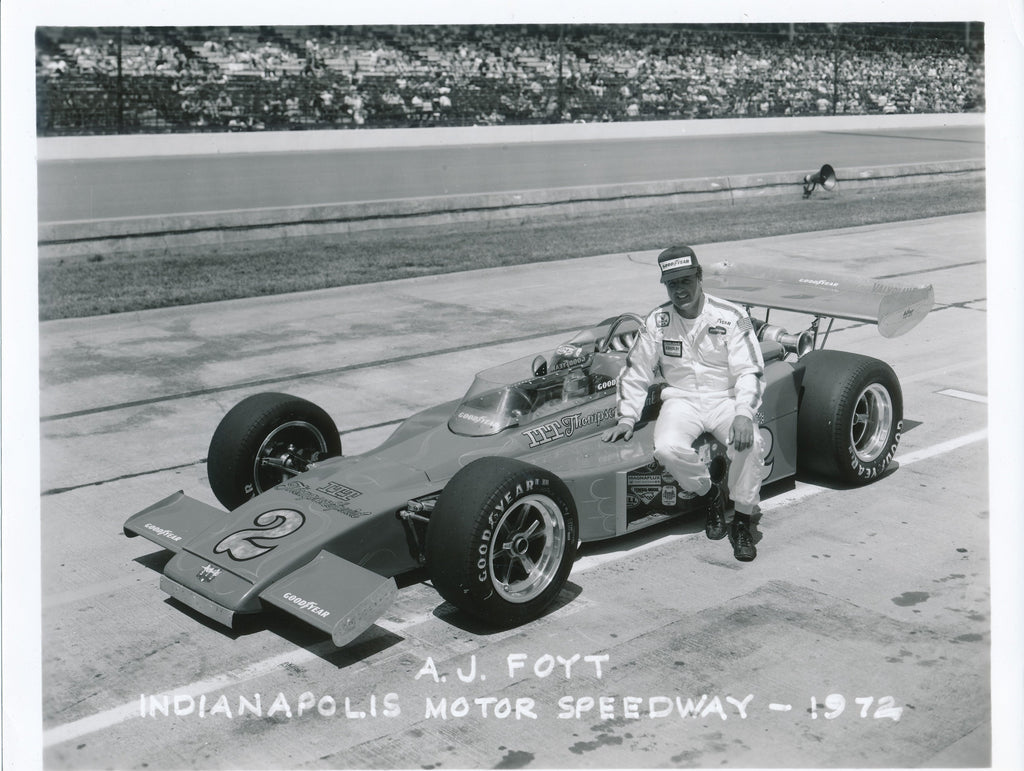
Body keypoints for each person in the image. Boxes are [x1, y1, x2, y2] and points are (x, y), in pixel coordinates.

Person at [601, 245, 765, 561]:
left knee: (752, 443)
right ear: (665, 286)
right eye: (672, 284)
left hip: (725, 399)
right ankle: (711, 495)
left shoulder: (732, 316)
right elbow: (637, 369)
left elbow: (750, 369)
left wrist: (744, 412)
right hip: (682, 400)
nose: (680, 290)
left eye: (686, 280)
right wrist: (626, 417)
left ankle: (742, 520)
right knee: (665, 448)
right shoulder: (657, 321)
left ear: (700, 277)